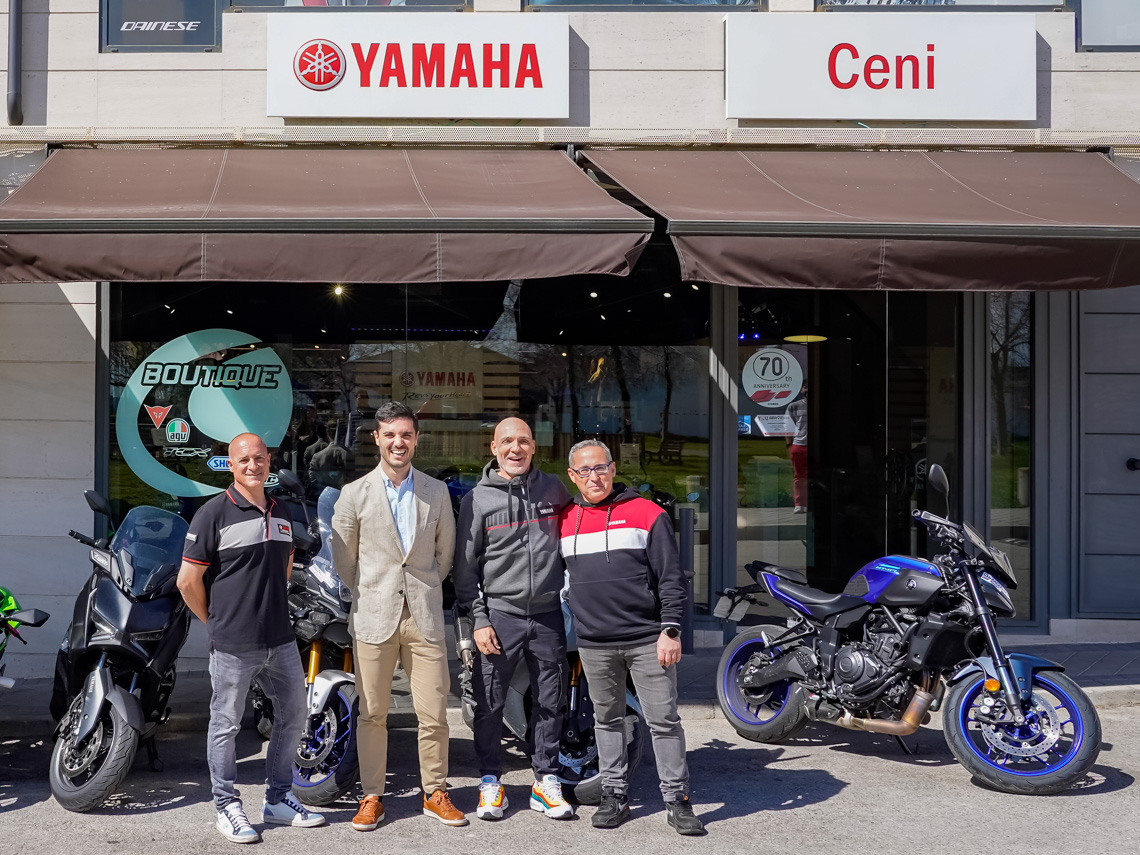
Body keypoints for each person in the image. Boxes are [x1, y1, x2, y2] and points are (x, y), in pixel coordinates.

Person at [176, 432, 325, 844]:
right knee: (225, 725)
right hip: (232, 644)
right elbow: (188, 582)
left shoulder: (282, 511)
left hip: (280, 639)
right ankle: (226, 806)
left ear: (268, 460)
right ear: (231, 463)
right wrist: (216, 621)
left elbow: (285, 564)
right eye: (244, 459)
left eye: (259, 458)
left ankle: (278, 799)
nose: (253, 465)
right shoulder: (212, 513)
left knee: (294, 716)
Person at [330, 401, 466, 830]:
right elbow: (344, 560)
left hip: (422, 615)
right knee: (372, 713)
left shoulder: (435, 491)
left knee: (435, 712)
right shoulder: (354, 494)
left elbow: (445, 555)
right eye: (390, 434)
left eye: (406, 434)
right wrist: (371, 590)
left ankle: (435, 792)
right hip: (373, 614)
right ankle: (372, 796)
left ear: (416, 439)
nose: (398, 442)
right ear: (377, 438)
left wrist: (421, 587)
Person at [559, 439, 705, 836]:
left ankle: (678, 801)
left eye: (601, 467)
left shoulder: (647, 513)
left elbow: (671, 579)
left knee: (664, 721)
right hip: (593, 642)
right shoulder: (565, 518)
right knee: (606, 720)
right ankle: (614, 796)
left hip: (646, 640)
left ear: (613, 468)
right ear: (572, 476)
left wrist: (670, 630)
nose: (595, 476)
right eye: (585, 470)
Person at [452, 416, 574, 821]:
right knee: (489, 703)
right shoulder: (478, 500)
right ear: (494, 449)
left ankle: (545, 781)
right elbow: (465, 572)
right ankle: (490, 782)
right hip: (499, 616)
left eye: (523, 441)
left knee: (551, 702)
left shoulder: (554, 489)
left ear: (534, 447)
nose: (515, 448)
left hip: (548, 614)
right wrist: (479, 619)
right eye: (507, 442)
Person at [786, 383, 808, 514]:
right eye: (806, 387)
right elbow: (788, 428)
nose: (808, 389)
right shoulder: (793, 406)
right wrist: (790, 446)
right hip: (799, 445)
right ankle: (800, 503)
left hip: (817, 447)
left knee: (817, 475)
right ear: (801, 390)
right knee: (799, 476)